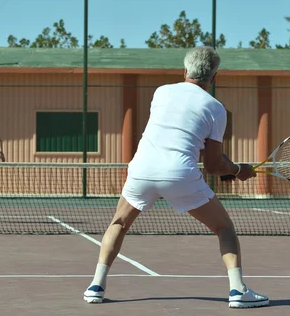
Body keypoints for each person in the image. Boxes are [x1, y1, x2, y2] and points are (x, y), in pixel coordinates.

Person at [83, 46, 269, 308]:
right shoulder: (216, 108)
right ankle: (238, 291)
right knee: (224, 228)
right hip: (179, 173)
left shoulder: (161, 92)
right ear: (213, 77)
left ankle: (96, 286)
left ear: (185, 71)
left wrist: (232, 169)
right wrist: (239, 170)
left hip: (141, 169)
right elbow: (214, 164)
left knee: (119, 223)